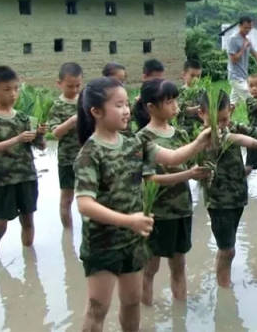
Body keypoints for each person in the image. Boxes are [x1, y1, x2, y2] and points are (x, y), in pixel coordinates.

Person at [73, 77, 210, 331]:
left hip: (133, 242)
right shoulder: (90, 153)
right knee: (97, 308)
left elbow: (172, 156)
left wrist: (201, 140)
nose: (126, 110)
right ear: (96, 111)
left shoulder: (135, 144)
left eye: (126, 103)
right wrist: (129, 221)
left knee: (132, 303)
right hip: (103, 244)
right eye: (118, 105)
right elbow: (84, 204)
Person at [134, 79, 210, 305]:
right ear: (151, 108)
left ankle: (180, 315)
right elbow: (151, 181)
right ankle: (145, 318)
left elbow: (193, 163)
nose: (175, 105)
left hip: (181, 210)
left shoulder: (181, 134)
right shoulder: (142, 139)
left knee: (179, 266)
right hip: (156, 214)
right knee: (150, 268)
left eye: (175, 99)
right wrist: (189, 175)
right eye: (168, 101)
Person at [197, 89, 257, 287]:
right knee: (227, 249)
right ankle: (224, 288)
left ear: (232, 110)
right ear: (201, 114)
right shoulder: (203, 137)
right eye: (215, 121)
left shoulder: (233, 126)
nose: (220, 126)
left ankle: (222, 280)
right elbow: (239, 140)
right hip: (219, 201)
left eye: (224, 119)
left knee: (227, 247)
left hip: (237, 198)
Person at [0, 66, 47, 256]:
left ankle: (30, 263)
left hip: (27, 177)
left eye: (16, 89)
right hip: (5, 181)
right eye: (7, 89)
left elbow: (41, 147)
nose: (13, 94)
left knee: (28, 222)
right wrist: (17, 139)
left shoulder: (23, 118)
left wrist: (40, 135)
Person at [47, 62, 83, 228]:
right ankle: (67, 233)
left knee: (89, 197)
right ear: (59, 83)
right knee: (67, 198)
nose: (74, 90)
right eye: (70, 86)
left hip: (86, 158)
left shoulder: (84, 102)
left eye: (78, 86)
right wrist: (71, 121)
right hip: (67, 159)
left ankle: (88, 232)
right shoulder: (57, 106)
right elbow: (55, 133)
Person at [227, 16, 257, 107]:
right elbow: (233, 59)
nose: (248, 30)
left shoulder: (247, 39)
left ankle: (223, 120)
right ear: (239, 26)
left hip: (244, 76)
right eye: (245, 28)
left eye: (250, 28)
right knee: (253, 101)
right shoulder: (233, 39)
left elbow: (256, 54)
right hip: (235, 77)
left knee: (232, 104)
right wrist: (244, 47)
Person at [176, 59, 204, 136]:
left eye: (198, 76)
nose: (195, 79)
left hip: (200, 125)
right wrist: (199, 107)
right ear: (184, 75)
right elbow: (184, 110)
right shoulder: (180, 92)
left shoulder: (202, 91)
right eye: (192, 75)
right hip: (185, 127)